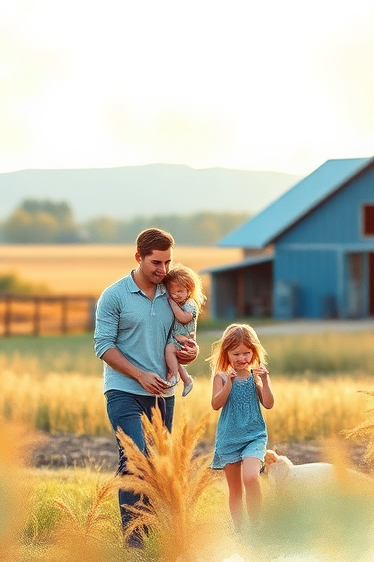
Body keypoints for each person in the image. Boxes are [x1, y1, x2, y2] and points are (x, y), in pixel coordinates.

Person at [93, 227, 199, 548]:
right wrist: (139, 374)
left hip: (163, 394)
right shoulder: (114, 296)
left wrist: (190, 354)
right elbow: (103, 346)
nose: (163, 270)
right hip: (124, 390)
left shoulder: (174, 295)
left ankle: (149, 531)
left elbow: (181, 342)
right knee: (134, 458)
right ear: (139, 257)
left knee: (155, 466)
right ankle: (134, 541)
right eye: (156, 263)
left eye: (167, 263)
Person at [209, 323, 275, 532]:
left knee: (251, 477)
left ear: (254, 352)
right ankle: (240, 532)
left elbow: (269, 403)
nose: (242, 358)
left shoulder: (256, 376)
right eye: (236, 354)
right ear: (226, 354)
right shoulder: (220, 377)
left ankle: (256, 526)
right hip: (229, 439)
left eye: (246, 353)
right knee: (235, 491)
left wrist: (265, 380)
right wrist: (228, 383)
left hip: (254, 436)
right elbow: (216, 404)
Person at [162, 264, 206, 397]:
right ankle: (186, 379)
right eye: (172, 292)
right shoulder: (181, 302)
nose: (175, 295)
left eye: (179, 291)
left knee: (169, 350)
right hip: (178, 337)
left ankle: (174, 376)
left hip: (184, 338)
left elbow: (184, 318)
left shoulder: (190, 304)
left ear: (189, 289)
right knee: (172, 358)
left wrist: (172, 304)